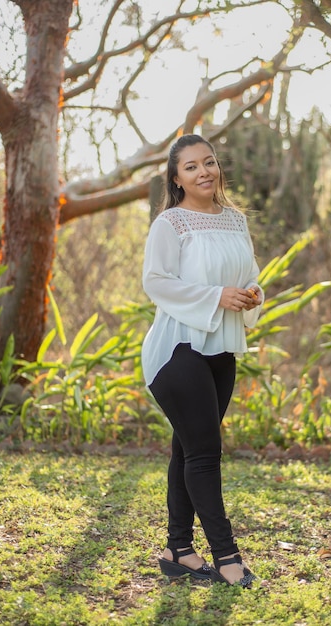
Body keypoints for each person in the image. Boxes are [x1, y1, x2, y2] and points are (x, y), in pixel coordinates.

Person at [141, 133, 264, 588]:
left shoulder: (235, 220)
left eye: (209, 162)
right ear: (176, 178)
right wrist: (217, 296)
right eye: (191, 166)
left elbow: (249, 276)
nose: (204, 172)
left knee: (187, 450)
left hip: (222, 349)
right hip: (177, 351)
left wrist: (252, 296)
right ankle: (227, 556)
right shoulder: (170, 224)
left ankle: (178, 550)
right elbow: (156, 282)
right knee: (205, 454)